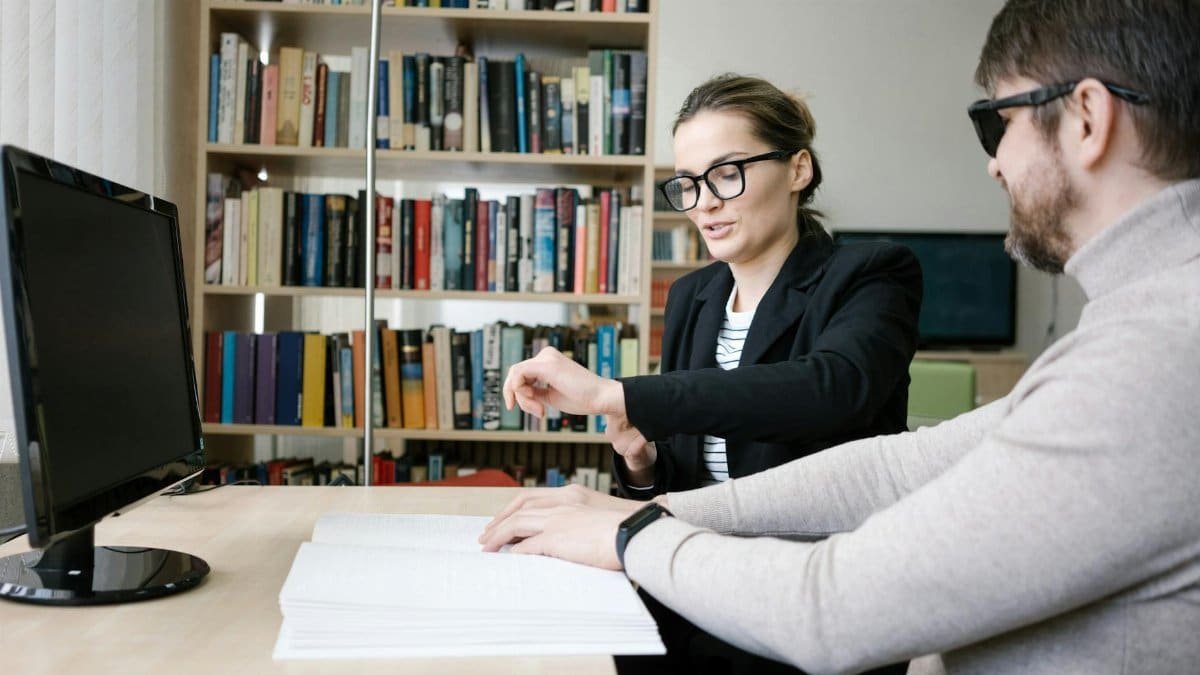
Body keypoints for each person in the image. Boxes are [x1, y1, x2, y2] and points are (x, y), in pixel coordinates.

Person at [480, 1, 1200, 673]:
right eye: (688, 184)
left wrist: (630, 527)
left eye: (996, 122)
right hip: (710, 587)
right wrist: (651, 503)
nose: (993, 162)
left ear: (1086, 117)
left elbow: (829, 598)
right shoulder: (1133, 328)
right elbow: (893, 467)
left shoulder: (1152, 355)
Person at [550, 74, 922, 501]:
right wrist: (644, 462)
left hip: (819, 551)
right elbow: (685, 477)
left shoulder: (873, 272)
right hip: (699, 546)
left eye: (727, 174)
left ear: (798, 169)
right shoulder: (690, 296)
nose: (704, 202)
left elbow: (830, 390)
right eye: (688, 184)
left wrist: (615, 394)